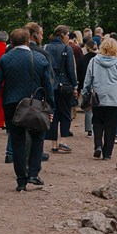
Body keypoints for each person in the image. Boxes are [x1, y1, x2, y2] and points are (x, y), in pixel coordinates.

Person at [0, 27, 53, 191]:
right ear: (28, 40)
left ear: (11, 42)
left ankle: (21, 179)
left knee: (17, 140)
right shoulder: (40, 58)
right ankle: (34, 172)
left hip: (12, 104)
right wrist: (51, 107)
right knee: (38, 136)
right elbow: (48, 86)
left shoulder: (6, 59)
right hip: (35, 103)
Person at [78, 36, 117, 159]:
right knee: (111, 126)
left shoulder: (94, 61)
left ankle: (98, 145)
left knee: (97, 122)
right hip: (114, 98)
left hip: (98, 97)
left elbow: (87, 80)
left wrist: (85, 93)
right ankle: (107, 153)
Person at [46, 25, 77, 154]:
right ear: (62, 35)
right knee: (65, 113)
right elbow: (70, 69)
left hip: (50, 85)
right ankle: (63, 141)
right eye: (68, 34)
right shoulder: (67, 48)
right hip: (65, 85)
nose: (68, 37)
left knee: (53, 114)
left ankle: (53, 143)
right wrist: (75, 85)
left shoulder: (46, 47)